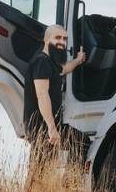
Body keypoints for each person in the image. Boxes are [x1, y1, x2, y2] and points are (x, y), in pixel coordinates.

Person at [23, 24, 87, 175]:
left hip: (51, 125)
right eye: (57, 38)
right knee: (40, 172)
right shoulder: (41, 62)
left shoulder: (49, 62)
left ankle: (69, 184)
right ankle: (66, 185)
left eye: (65, 39)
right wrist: (51, 128)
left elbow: (64, 69)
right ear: (46, 39)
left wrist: (78, 60)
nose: (62, 42)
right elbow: (42, 95)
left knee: (81, 142)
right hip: (42, 126)